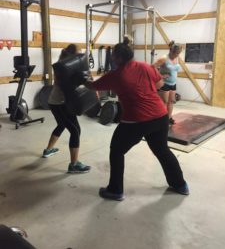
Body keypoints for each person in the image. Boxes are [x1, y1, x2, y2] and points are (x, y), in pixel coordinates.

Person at [85, 37, 189, 201]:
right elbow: (161, 84)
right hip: (160, 116)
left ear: (118, 58)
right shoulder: (145, 67)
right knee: (162, 150)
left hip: (137, 120)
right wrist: (143, 89)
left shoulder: (115, 75)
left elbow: (92, 86)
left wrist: (80, 79)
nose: (112, 58)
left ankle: (115, 190)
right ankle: (180, 184)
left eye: (113, 55)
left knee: (117, 150)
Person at [42, 44, 91, 174]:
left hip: (56, 102)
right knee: (75, 130)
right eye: (79, 54)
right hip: (60, 103)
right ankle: (74, 164)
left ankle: (48, 150)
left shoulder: (66, 65)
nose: (80, 57)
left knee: (62, 125)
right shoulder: (64, 67)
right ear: (72, 55)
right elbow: (65, 85)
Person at [154, 41, 182, 125]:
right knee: (164, 102)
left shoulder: (176, 58)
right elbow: (152, 67)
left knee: (171, 101)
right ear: (172, 51)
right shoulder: (164, 58)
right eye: (176, 53)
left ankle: (169, 118)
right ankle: (161, 120)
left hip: (173, 83)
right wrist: (160, 76)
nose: (177, 55)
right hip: (164, 83)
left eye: (178, 54)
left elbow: (175, 69)